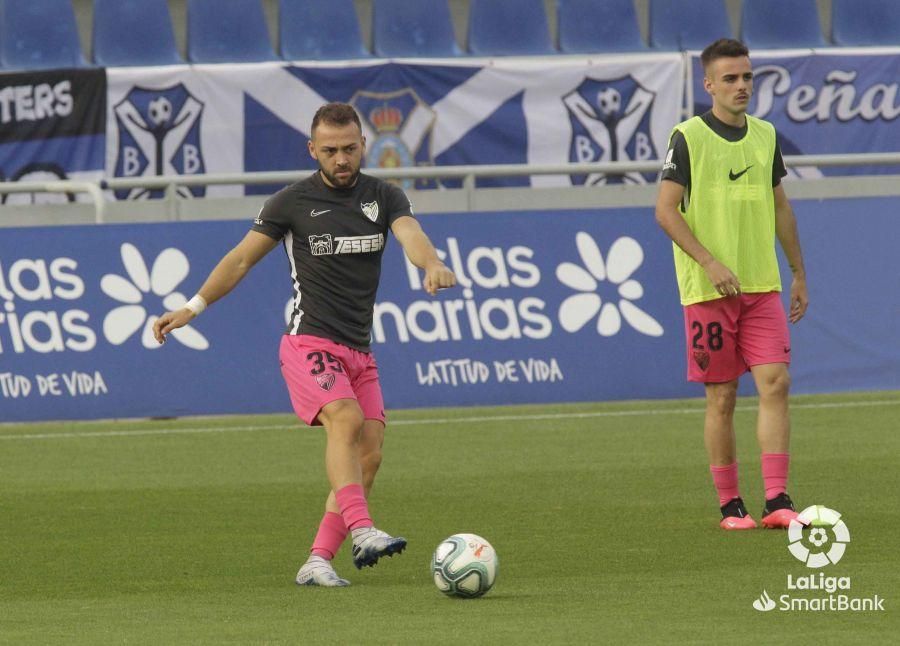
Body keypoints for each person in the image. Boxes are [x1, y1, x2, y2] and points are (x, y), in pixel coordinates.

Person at [153, 102, 456, 584]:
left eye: (350, 149)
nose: (342, 159)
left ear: (364, 146)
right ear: (313, 149)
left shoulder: (384, 195)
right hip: (307, 341)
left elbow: (409, 234)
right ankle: (362, 529)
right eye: (331, 150)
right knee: (346, 418)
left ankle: (317, 561)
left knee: (370, 454)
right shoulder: (291, 202)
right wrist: (192, 308)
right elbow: (239, 261)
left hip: (359, 350)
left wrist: (431, 263)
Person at [655, 39, 809, 530]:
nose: (741, 86)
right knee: (722, 397)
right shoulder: (688, 137)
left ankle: (778, 500)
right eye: (730, 79)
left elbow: (781, 205)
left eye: (746, 77)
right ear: (709, 85)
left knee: (776, 383)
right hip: (708, 290)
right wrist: (710, 262)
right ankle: (729, 504)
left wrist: (798, 271)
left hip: (761, 285)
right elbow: (664, 210)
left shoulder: (765, 136)